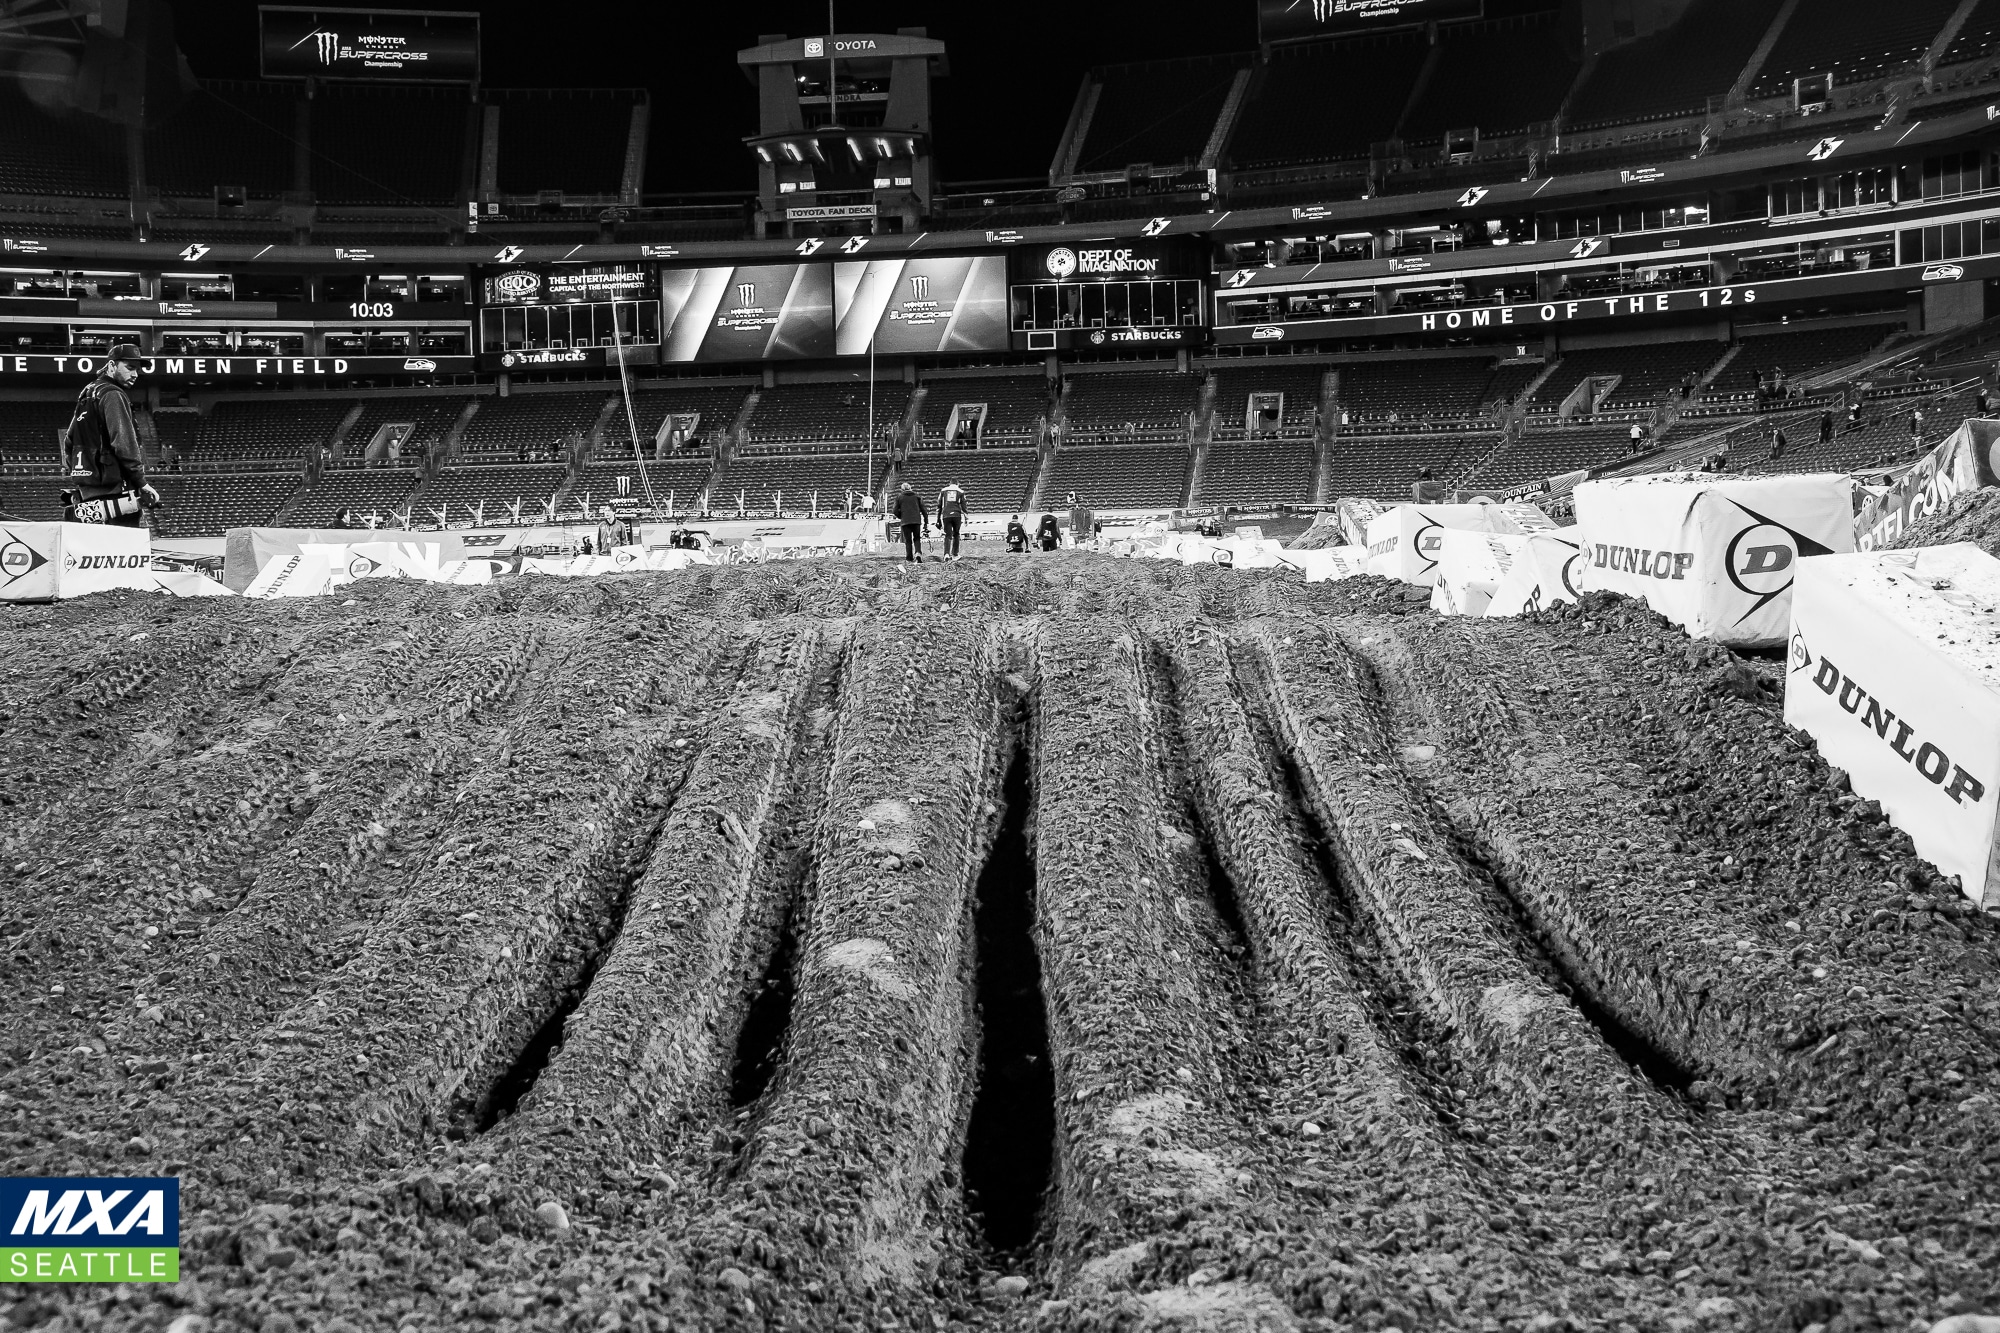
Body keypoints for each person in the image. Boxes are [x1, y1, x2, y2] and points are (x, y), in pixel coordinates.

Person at [59, 343, 157, 527]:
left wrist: (82, 475)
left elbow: (69, 441)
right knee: (123, 551)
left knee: (96, 551)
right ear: (112, 366)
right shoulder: (113, 394)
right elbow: (123, 443)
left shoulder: (88, 392)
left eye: (137, 370)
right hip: (115, 492)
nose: (135, 374)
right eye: (130, 367)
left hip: (89, 491)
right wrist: (141, 483)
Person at [891, 481, 928, 562]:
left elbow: (894, 510)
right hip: (916, 521)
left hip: (905, 521)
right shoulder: (917, 496)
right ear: (910, 488)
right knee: (917, 538)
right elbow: (924, 510)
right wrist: (926, 522)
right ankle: (918, 553)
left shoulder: (899, 497)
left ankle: (909, 557)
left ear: (902, 489)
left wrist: (901, 516)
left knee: (908, 540)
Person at [936, 480, 969, 560]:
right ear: (958, 484)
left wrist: (938, 519)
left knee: (948, 535)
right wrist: (966, 517)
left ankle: (946, 554)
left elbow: (939, 504)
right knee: (956, 534)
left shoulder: (943, 491)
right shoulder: (961, 491)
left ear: (950, 483)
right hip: (956, 515)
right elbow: (964, 505)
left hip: (946, 515)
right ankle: (955, 554)